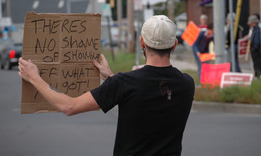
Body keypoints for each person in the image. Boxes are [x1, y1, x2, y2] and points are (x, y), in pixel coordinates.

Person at [18, 15, 195, 156]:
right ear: (174, 44)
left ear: (142, 42)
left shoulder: (124, 83)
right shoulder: (187, 83)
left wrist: (34, 78)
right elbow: (147, 91)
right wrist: (110, 77)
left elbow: (69, 106)